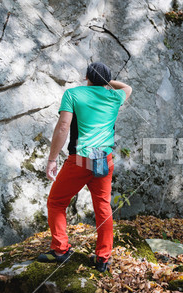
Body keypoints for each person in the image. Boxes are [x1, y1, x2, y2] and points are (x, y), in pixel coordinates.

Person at [37, 62, 132, 272]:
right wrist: (106, 82)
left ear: (86, 77)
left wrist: (52, 160)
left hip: (80, 159)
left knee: (56, 202)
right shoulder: (114, 96)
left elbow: (63, 126)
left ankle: (61, 250)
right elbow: (127, 88)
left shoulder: (73, 94)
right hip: (104, 158)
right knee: (103, 208)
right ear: (106, 80)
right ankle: (103, 259)